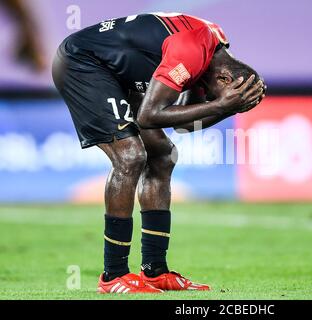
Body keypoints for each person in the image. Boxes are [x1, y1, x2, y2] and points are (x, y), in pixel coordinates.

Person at [52, 12, 265, 294]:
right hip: (84, 63)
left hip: (117, 71)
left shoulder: (213, 53)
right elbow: (151, 115)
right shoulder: (192, 50)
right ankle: (113, 275)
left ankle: (155, 271)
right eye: (221, 97)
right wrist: (220, 106)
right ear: (226, 78)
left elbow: (187, 124)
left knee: (163, 156)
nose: (214, 100)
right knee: (130, 156)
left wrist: (226, 107)